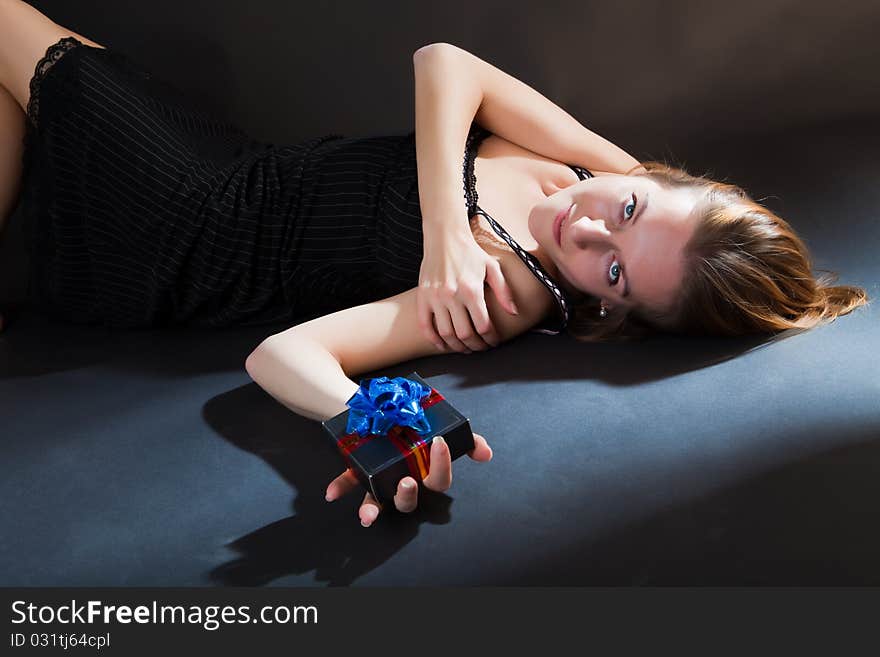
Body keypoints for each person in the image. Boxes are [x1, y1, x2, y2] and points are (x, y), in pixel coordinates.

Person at [0, 3, 868, 526]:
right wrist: (447, 225)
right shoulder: (599, 174)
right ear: (659, 176)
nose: (590, 229)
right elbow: (446, 64)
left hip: (180, 226)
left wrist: (376, 427)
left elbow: (278, 354)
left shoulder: (502, 291)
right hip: (229, 164)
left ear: (613, 312)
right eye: (632, 208)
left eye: (613, 273)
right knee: (28, 85)